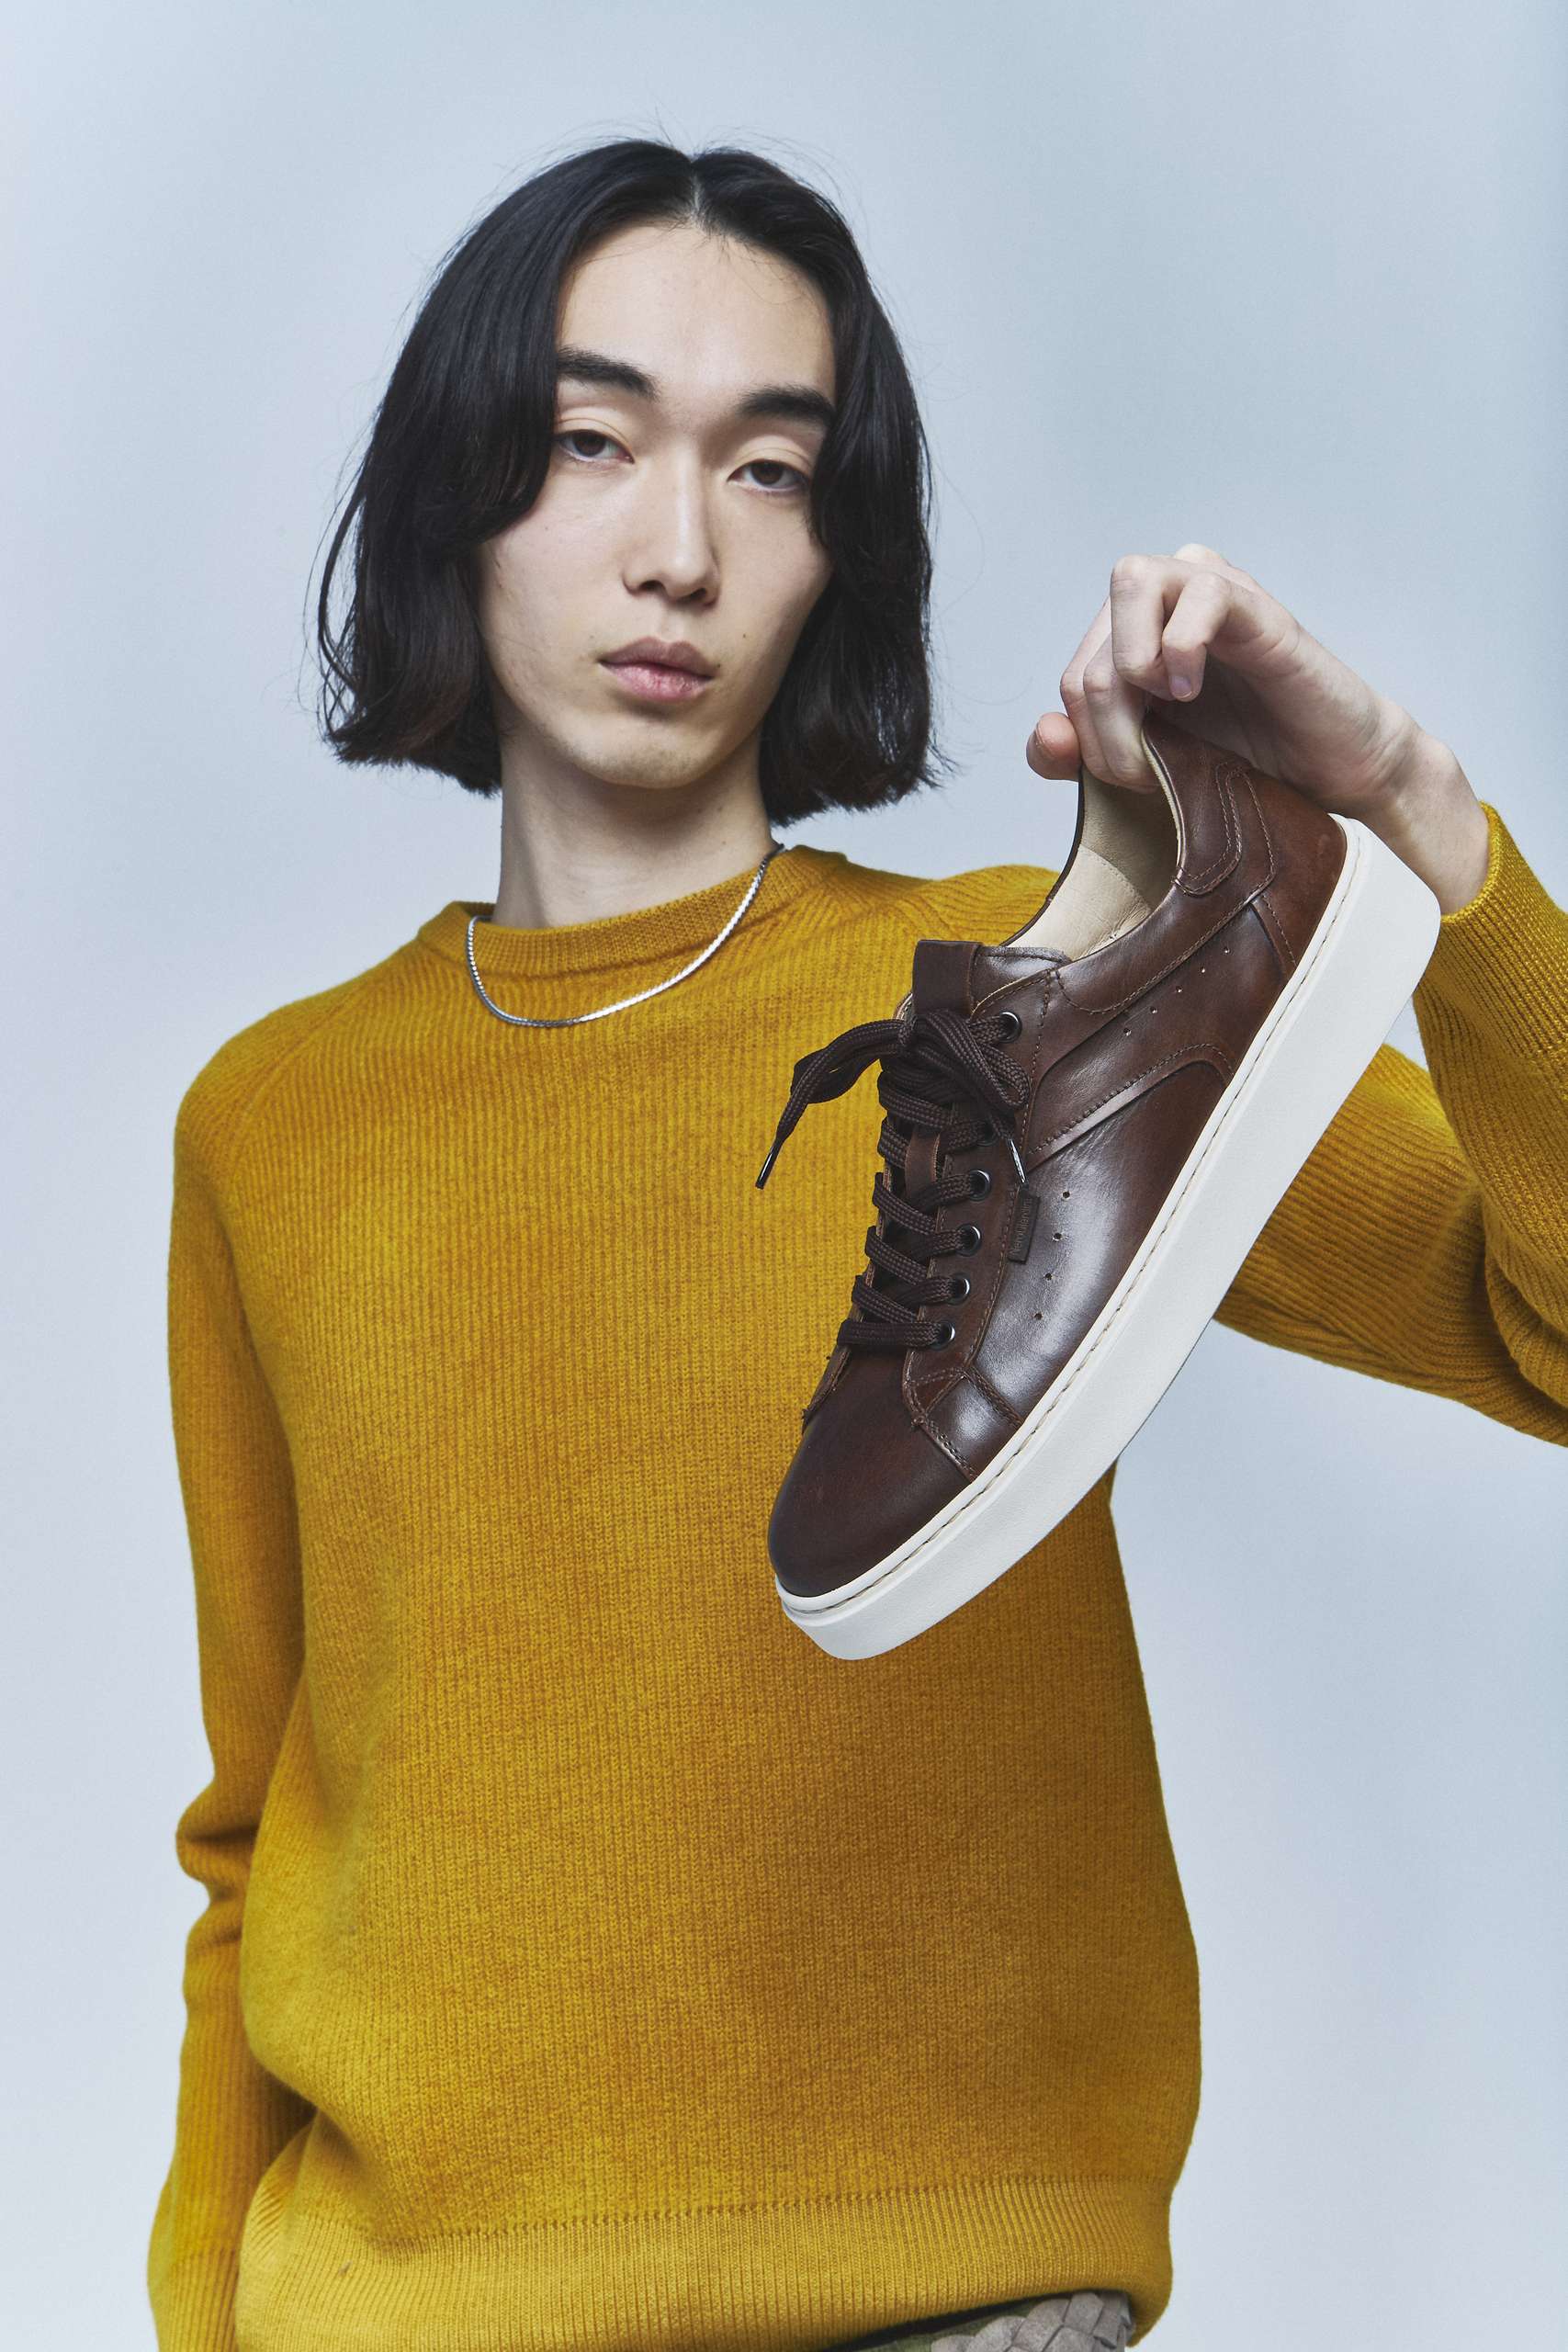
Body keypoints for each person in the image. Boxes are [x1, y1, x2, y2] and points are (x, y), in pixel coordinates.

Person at [145, 137, 1568, 2352]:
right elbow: (258, 1833)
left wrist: (1419, 814)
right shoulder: (274, 1120)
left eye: (771, 468)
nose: (680, 547)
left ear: (839, 549)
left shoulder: (1042, 1012)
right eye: (590, 441)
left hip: (950, 2300)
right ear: (456, 494)